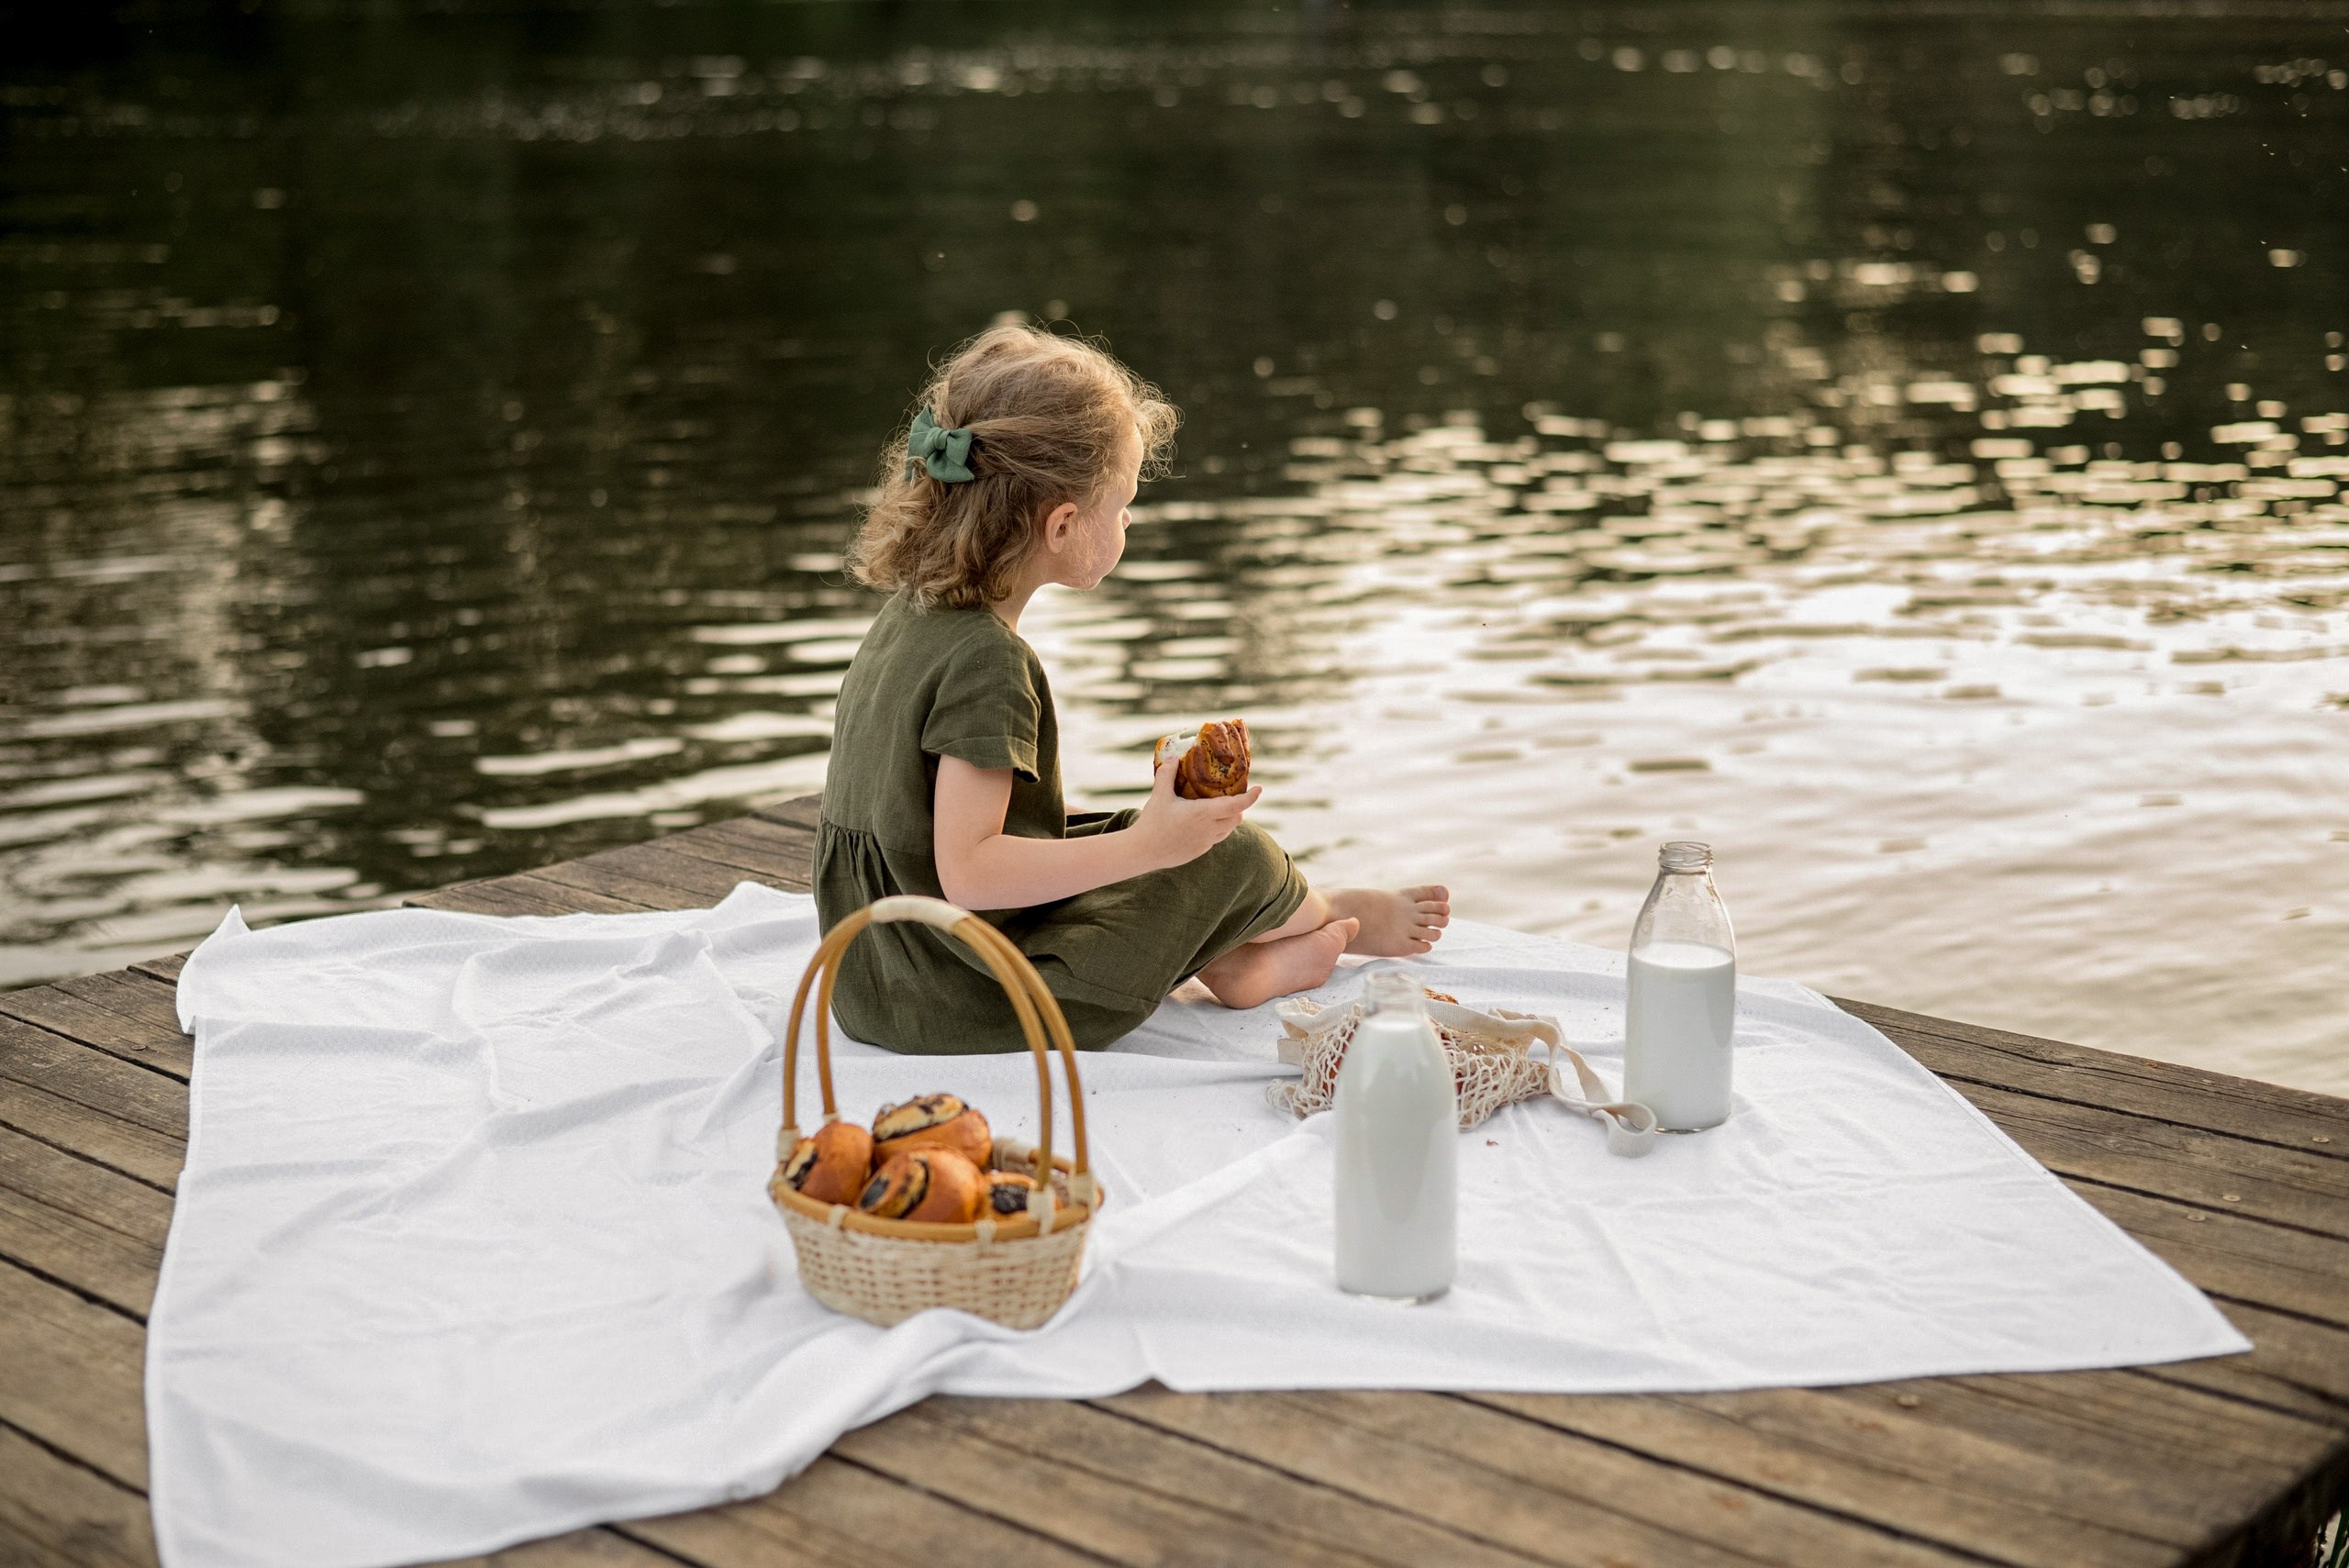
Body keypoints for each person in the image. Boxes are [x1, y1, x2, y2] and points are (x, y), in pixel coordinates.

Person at [816, 323, 1449, 1053]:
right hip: (959, 992)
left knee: (1112, 833)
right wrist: (1150, 845)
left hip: (868, 974)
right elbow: (970, 872)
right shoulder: (987, 661)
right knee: (1226, 853)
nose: (1128, 519)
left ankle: (1237, 956)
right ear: (1062, 524)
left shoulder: (914, 613)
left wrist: (1133, 835)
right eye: (1122, 505)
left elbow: (934, 831)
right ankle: (1322, 911)